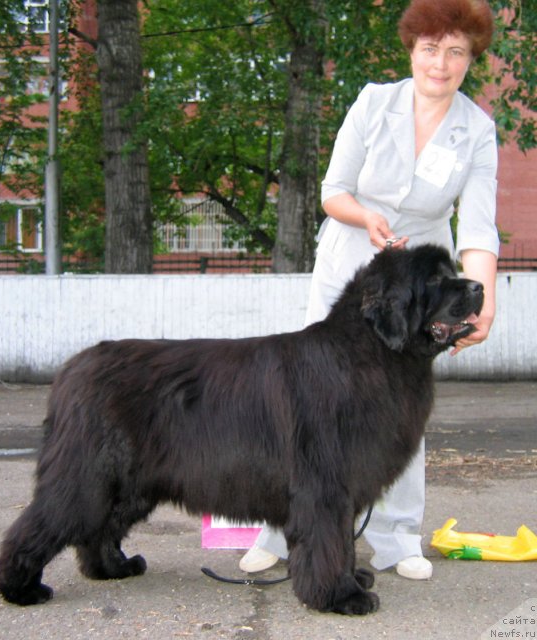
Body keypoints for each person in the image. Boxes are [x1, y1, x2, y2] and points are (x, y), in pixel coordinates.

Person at [240, 0, 499, 581]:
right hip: (349, 266)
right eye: (431, 48)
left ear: (470, 59)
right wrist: (364, 218)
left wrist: (486, 302)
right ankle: (279, 534)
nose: (441, 62)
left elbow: (479, 228)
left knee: (401, 408)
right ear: (412, 49)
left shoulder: (477, 131)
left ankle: (398, 536)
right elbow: (333, 190)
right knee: (310, 404)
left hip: (417, 287)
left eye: (456, 51)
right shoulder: (372, 101)